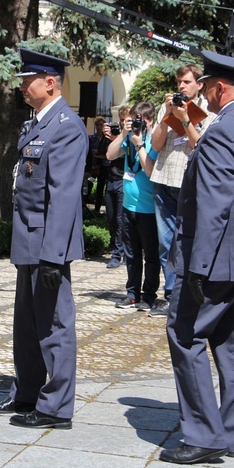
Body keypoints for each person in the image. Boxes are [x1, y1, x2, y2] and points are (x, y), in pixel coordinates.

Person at [160, 51, 234, 464]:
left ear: (220, 87)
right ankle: (228, 430)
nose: (204, 94)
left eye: (207, 87)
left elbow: (214, 203)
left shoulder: (224, 129)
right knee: (232, 340)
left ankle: (204, 435)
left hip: (215, 258)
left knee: (186, 335)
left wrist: (197, 266)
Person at [0, 49, 87, 430]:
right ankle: (27, 391)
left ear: (50, 82)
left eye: (28, 79)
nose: (21, 86)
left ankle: (56, 407)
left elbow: (62, 196)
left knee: (54, 325)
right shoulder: (36, 125)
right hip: (28, 240)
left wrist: (53, 255)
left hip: (48, 244)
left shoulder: (66, 126)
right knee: (27, 324)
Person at [149, 64, 216, 318]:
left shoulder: (208, 111)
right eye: (179, 82)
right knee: (165, 242)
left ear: (199, 85)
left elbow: (199, 144)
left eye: (186, 82)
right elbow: (156, 144)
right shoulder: (166, 108)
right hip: (164, 178)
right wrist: (167, 116)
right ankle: (170, 295)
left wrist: (185, 118)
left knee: (186, 240)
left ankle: (186, 293)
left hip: (187, 182)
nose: (181, 86)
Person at [106, 102, 161, 312]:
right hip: (129, 206)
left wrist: (139, 144)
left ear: (149, 120)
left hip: (148, 208)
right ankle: (132, 294)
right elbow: (111, 155)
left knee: (151, 256)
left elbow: (149, 170)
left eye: (140, 120)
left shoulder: (153, 139)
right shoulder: (129, 136)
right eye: (133, 119)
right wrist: (123, 134)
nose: (136, 123)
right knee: (132, 254)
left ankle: (148, 296)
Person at [101, 106, 129, 269]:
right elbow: (103, 153)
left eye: (126, 120)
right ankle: (123, 248)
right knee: (111, 217)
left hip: (123, 180)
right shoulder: (114, 134)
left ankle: (117, 254)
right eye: (122, 120)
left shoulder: (130, 136)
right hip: (110, 179)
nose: (124, 123)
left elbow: (127, 154)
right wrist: (108, 137)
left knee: (120, 219)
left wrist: (118, 138)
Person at [90, 117, 109, 213]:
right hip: (93, 167)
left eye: (101, 125)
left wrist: (100, 156)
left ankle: (97, 209)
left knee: (100, 188)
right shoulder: (92, 138)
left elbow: (108, 155)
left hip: (103, 167)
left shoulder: (107, 139)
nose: (99, 127)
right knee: (90, 184)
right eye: (97, 125)